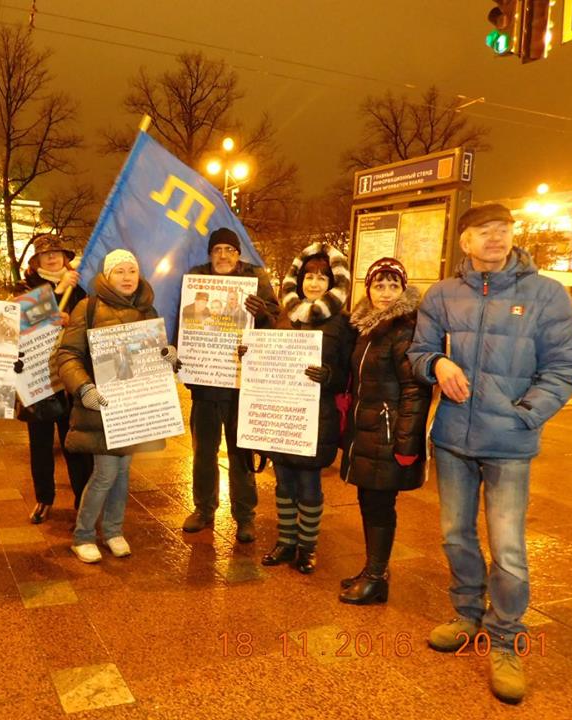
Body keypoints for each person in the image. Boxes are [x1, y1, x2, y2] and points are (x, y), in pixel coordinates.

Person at [408, 203, 572, 704]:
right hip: (453, 439)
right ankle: (467, 614)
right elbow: (417, 352)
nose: (495, 237)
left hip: (509, 443)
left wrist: (525, 413)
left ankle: (505, 638)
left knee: (507, 547)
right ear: (464, 241)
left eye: (502, 229)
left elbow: (566, 366)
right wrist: (437, 364)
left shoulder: (545, 294)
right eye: (484, 230)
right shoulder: (443, 294)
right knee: (455, 535)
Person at [56, 249, 180, 563]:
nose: (127, 277)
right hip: (101, 406)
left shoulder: (147, 310)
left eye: (132, 271)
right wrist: (84, 387)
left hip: (132, 409)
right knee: (106, 473)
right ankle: (83, 536)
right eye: (119, 271)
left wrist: (167, 356)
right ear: (107, 276)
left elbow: (153, 354)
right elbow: (67, 355)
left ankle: (112, 531)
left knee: (123, 471)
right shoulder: (88, 307)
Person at [338, 257, 430, 605]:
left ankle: (376, 579)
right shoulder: (367, 326)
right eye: (379, 285)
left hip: (387, 433)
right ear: (369, 289)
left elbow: (415, 390)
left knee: (379, 505)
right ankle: (373, 569)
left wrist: (406, 444)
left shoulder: (403, 329)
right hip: (368, 429)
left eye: (394, 285)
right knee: (369, 500)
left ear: (403, 289)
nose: (386, 292)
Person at [260, 242, 354, 573]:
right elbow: (268, 358)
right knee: (284, 483)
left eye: (322, 278)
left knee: (309, 485)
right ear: (298, 281)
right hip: (282, 415)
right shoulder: (285, 317)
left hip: (316, 417)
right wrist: (252, 355)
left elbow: (348, 374)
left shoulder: (342, 323)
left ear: (333, 283)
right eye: (308, 277)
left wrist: (329, 376)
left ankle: (307, 546)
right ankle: (286, 541)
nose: (314, 283)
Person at [181, 227, 279, 543]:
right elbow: (184, 324)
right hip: (206, 386)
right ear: (210, 254)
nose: (223, 255)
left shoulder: (255, 280)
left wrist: (262, 314)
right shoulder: (197, 280)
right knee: (203, 453)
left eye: (229, 250)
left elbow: (276, 323)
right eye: (217, 250)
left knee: (241, 455)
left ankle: (245, 516)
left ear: (238, 254)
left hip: (241, 387)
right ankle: (204, 509)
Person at [14, 233, 92, 524]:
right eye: (45, 254)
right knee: (41, 443)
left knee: (75, 443)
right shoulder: (25, 287)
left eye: (56, 253)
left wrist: (73, 324)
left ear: (65, 258)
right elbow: (24, 322)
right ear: (36, 261)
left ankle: (83, 498)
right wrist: (58, 292)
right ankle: (44, 498)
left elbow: (89, 324)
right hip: (38, 376)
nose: (51, 257)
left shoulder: (80, 290)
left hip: (69, 374)